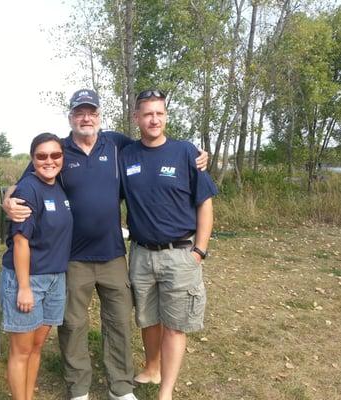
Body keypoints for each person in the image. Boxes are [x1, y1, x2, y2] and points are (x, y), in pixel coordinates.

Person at [3, 89, 208, 400]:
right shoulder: (58, 151)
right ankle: (79, 389)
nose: (86, 118)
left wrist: (199, 154)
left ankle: (121, 388)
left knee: (119, 323)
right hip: (72, 257)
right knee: (73, 326)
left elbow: (153, 147)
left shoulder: (116, 145)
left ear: (100, 116)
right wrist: (7, 199)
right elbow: (24, 183)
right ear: (70, 117)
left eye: (92, 112)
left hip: (113, 255)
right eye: (79, 112)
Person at [119, 89, 218, 400]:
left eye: (159, 113)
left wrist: (199, 251)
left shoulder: (187, 153)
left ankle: (166, 392)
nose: (154, 119)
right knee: (147, 319)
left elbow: (205, 204)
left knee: (175, 324)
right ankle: (152, 368)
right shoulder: (127, 155)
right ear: (136, 118)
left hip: (180, 253)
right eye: (147, 114)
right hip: (141, 254)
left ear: (166, 116)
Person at [0, 132, 73, 400]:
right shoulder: (29, 189)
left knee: (37, 346)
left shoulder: (59, 185)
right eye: (41, 156)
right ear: (32, 159)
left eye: (55, 155)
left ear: (62, 158)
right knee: (21, 351)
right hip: (29, 280)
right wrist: (24, 287)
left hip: (55, 279)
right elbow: (20, 242)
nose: (49, 161)